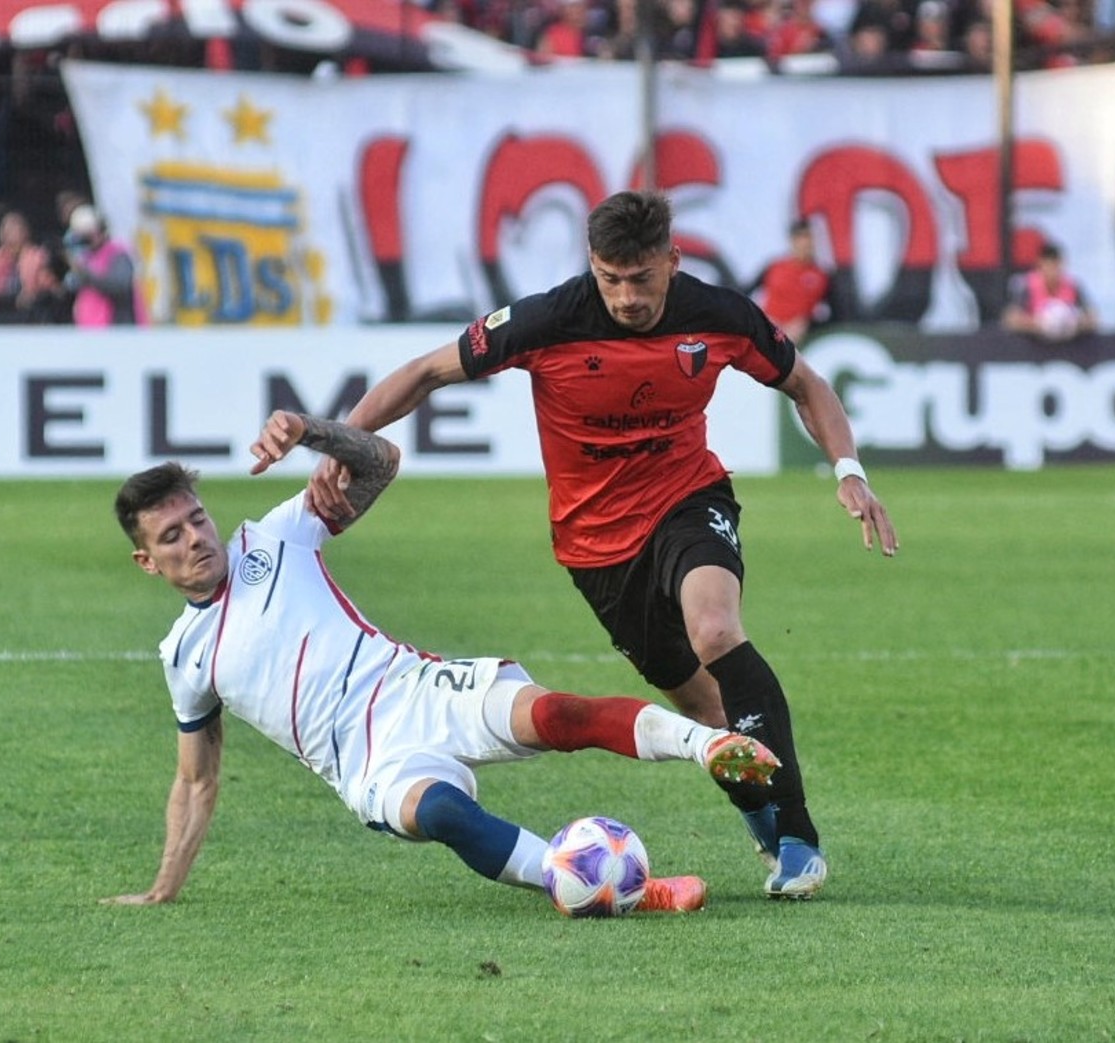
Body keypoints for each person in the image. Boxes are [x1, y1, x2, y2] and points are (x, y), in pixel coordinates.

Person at [310, 190, 898, 900]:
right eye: (609, 278)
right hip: (595, 549)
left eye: (641, 278)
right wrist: (338, 445)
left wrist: (849, 471)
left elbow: (806, 384)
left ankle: (797, 838)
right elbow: (424, 372)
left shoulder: (717, 316)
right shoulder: (546, 319)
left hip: (687, 499)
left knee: (715, 627)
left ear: (671, 262)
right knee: (705, 709)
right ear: (591, 264)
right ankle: (759, 816)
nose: (624, 296)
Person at [101, 410, 781, 911]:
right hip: (367, 762)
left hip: (420, 687)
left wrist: (313, 432)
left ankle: (709, 741)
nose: (194, 537)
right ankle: (606, 884)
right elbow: (195, 780)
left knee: (555, 713)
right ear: (145, 560)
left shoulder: (275, 538)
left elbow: (382, 461)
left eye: (195, 518)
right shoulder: (184, 656)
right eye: (171, 534)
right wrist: (163, 887)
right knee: (443, 815)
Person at [748, 217, 836, 344]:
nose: (807, 243)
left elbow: (834, 314)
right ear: (792, 240)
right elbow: (745, 291)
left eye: (810, 238)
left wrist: (808, 323)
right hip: (768, 329)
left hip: (799, 337)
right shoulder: (774, 267)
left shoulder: (822, 275)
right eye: (802, 237)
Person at [1001, 240, 1096, 342]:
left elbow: (1093, 318)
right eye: (1048, 266)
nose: (1052, 271)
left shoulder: (1072, 286)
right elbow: (1010, 319)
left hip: (1068, 344)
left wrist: (1071, 324)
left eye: (1055, 266)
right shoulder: (1027, 286)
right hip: (1035, 344)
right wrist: (1041, 324)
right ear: (1040, 265)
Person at [63, 204, 141, 327]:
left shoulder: (117, 254)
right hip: (90, 329)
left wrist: (86, 274)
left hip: (116, 328)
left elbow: (120, 285)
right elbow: (72, 285)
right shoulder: (86, 257)